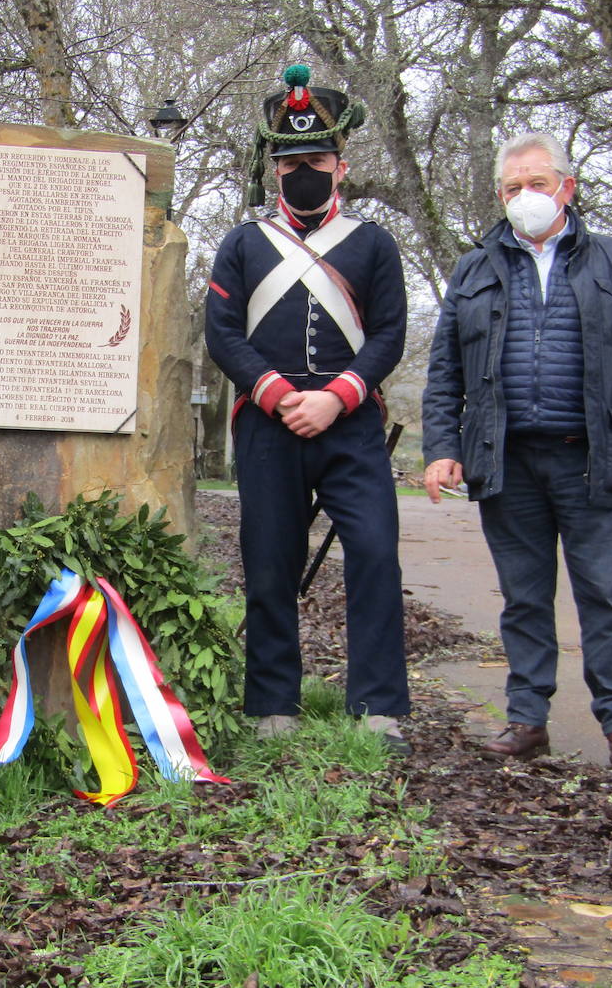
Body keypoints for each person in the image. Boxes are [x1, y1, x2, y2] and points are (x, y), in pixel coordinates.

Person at [421, 132, 612, 773]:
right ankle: (527, 718)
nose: (524, 198)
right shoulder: (475, 267)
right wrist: (442, 448)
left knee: (603, 592)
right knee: (525, 597)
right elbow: (445, 371)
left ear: (567, 187)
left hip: (592, 459)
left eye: (537, 184)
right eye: (512, 189)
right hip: (506, 460)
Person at [204, 65, 411, 752]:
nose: (302, 172)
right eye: (290, 161)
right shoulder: (242, 244)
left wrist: (335, 397)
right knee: (269, 561)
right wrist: (278, 394)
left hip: (348, 423)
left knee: (377, 552)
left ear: (340, 164)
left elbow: (388, 334)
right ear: (273, 166)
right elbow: (222, 333)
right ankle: (271, 700)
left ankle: (378, 703)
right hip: (268, 422)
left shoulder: (375, 244)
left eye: (314, 160)